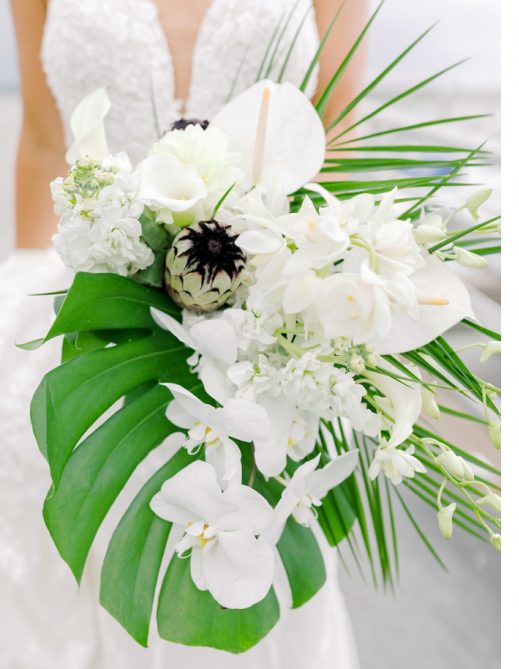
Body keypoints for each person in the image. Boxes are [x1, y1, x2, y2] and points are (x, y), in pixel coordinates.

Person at [3, 0, 366, 666]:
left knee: (244, 597)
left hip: (261, 345)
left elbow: (337, 140)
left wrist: (307, 305)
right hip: (81, 334)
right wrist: (17, 314)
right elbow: (46, 143)